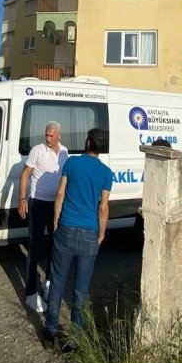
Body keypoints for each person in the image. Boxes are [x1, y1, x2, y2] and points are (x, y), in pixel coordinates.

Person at [43, 128, 113, 349]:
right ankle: (74, 340)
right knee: (81, 288)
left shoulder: (72, 163)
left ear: (87, 142)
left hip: (66, 228)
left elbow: (61, 194)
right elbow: (103, 207)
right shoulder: (106, 173)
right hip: (89, 233)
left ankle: (50, 332)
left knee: (57, 281)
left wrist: (56, 220)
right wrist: (101, 233)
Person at [18, 121, 68, 313]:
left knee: (56, 245)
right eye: (46, 135)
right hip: (37, 203)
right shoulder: (37, 150)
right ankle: (31, 293)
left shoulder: (64, 152)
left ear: (59, 136)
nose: (48, 139)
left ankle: (48, 284)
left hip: (55, 205)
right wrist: (22, 198)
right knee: (35, 245)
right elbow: (25, 174)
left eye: (51, 136)